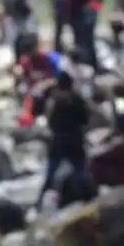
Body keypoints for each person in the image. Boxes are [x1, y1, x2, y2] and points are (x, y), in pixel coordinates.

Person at [41, 70, 93, 205]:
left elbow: (49, 119)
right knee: (79, 169)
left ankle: (43, 195)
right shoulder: (77, 98)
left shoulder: (54, 100)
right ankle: (86, 195)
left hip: (58, 139)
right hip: (75, 139)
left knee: (52, 170)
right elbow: (86, 119)